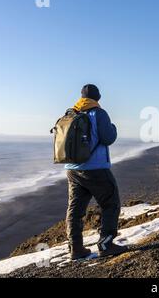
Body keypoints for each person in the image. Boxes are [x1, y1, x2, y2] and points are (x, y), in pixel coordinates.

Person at [65, 84, 127, 259]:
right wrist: (113, 127)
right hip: (95, 168)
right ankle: (106, 245)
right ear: (97, 97)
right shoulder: (98, 113)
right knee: (110, 203)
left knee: (75, 210)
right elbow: (108, 137)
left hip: (72, 170)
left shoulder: (71, 114)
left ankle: (75, 249)